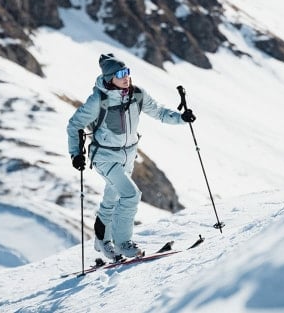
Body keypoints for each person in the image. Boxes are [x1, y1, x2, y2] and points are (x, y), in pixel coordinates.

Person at [67, 53, 196, 259]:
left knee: (112, 197)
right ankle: (123, 243)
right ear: (110, 78)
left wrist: (182, 118)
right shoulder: (97, 100)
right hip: (105, 157)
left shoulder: (137, 95)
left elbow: (160, 112)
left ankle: (102, 240)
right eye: (120, 73)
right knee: (130, 194)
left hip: (128, 156)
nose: (126, 76)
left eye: (127, 71)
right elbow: (74, 125)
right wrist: (76, 154)